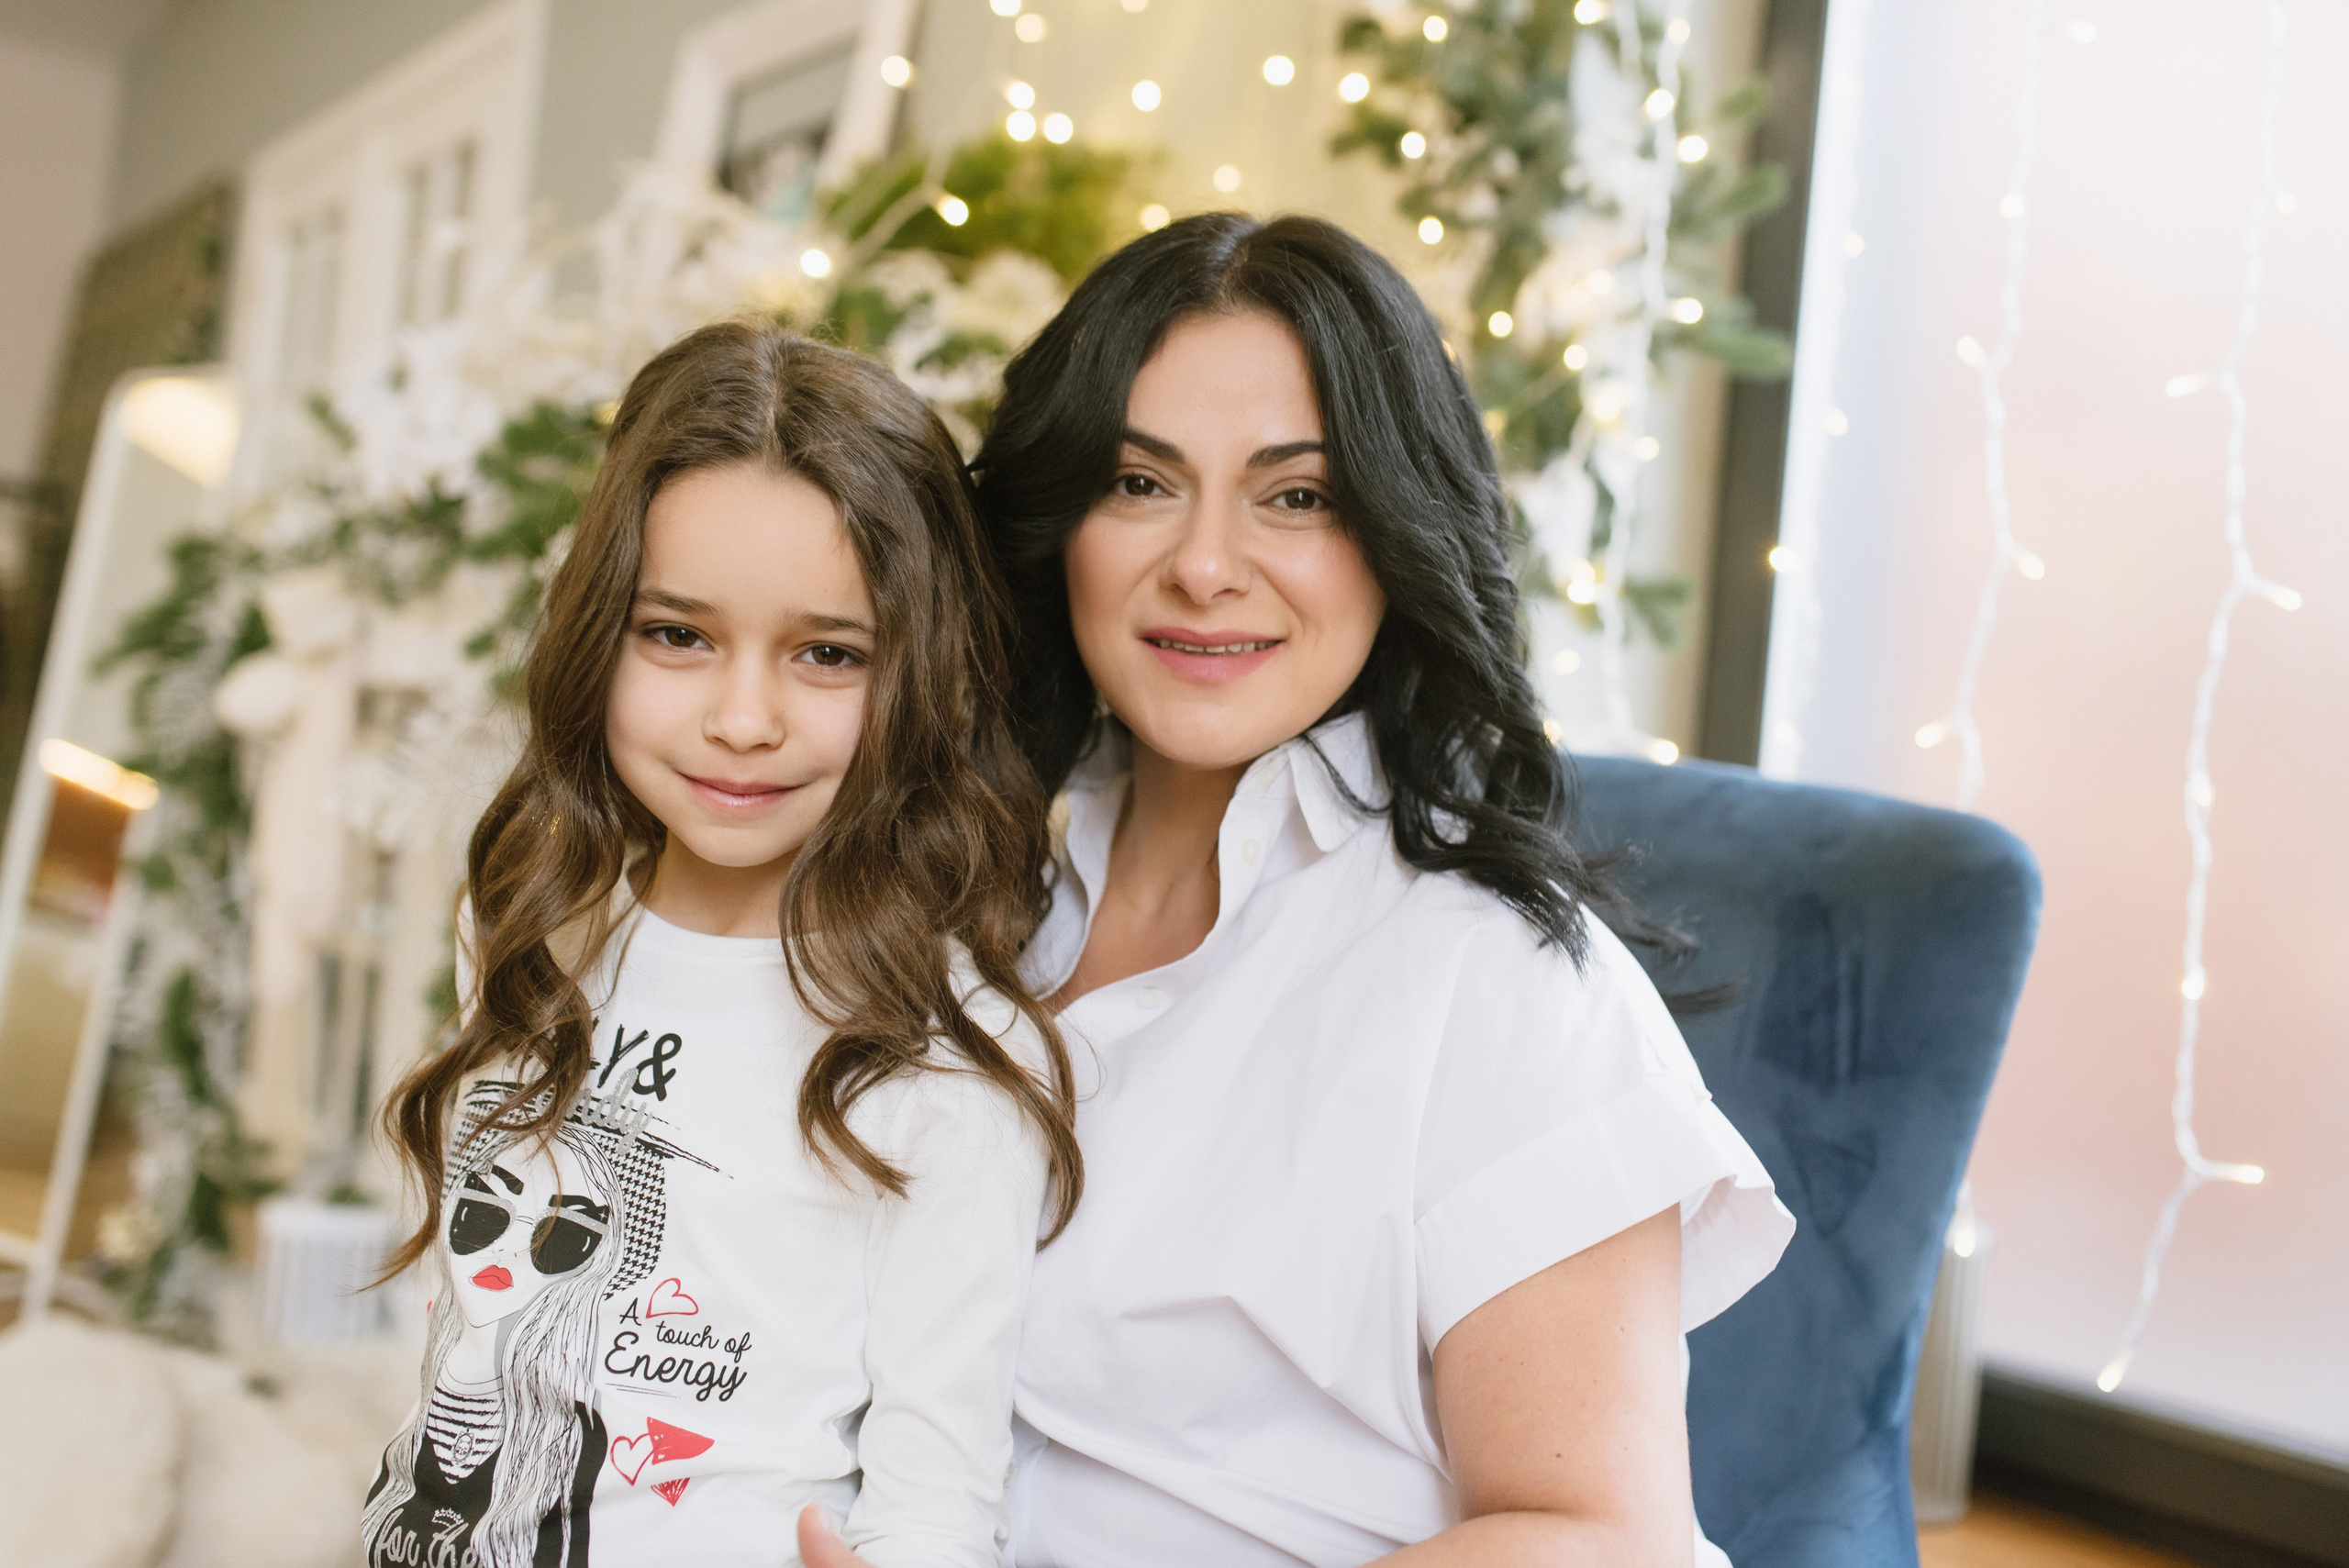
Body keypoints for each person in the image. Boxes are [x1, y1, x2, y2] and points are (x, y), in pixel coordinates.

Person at [807, 213, 1796, 1568]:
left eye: (1297, 496)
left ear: (1394, 535)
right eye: (1140, 483)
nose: (1205, 564)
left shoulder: (1494, 982)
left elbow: (1598, 1542)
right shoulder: (964, 898)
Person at [365, 322, 1082, 1568]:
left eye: (827, 653)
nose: (742, 719)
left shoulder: (942, 1052)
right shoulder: (533, 926)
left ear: (920, 671)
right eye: (679, 635)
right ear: (600, 633)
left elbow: (940, 1489)